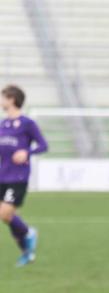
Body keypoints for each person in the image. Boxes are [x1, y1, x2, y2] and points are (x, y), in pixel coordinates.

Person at [0, 85, 48, 266]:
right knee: (8, 216)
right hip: (2, 175)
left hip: (17, 177)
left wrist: (26, 152)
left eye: (3, 97)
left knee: (5, 214)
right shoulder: (3, 124)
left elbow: (43, 145)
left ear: (12, 99)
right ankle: (26, 252)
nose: (1, 100)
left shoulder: (28, 123)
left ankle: (29, 233)